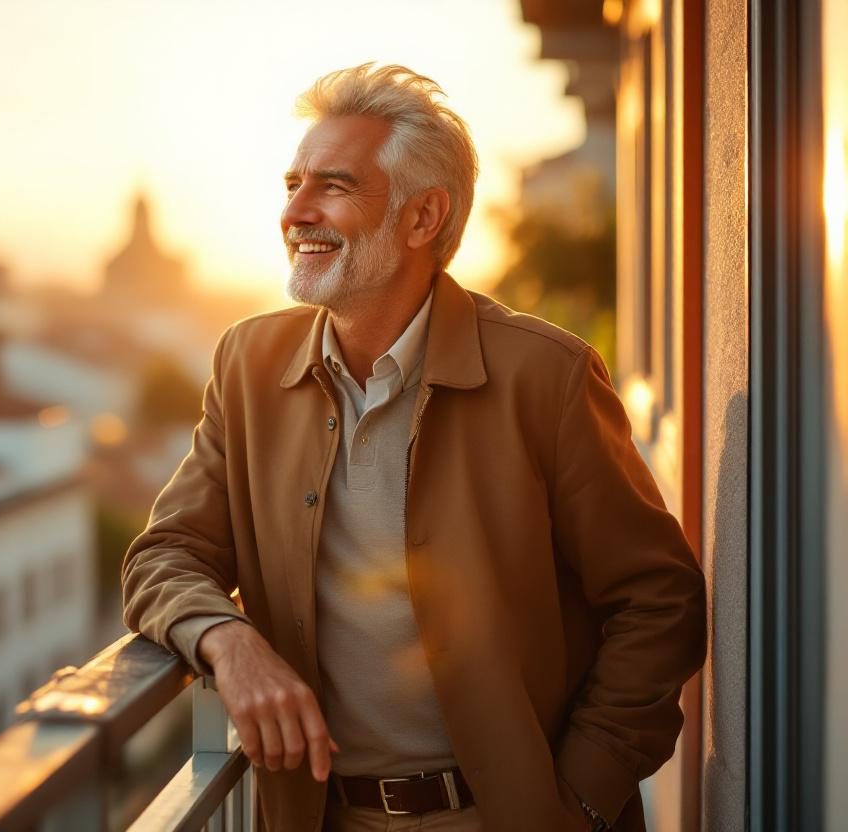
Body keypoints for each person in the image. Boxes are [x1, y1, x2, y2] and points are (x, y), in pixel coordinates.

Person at [121, 63, 706, 832]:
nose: (294, 211)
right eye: (292, 182)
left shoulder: (546, 376)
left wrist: (580, 796)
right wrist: (229, 642)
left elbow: (659, 603)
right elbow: (164, 555)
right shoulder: (248, 366)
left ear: (423, 216)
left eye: (332, 186)